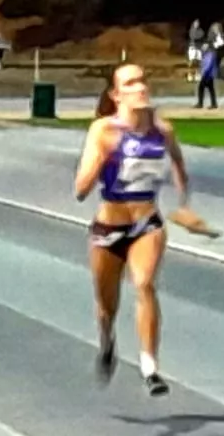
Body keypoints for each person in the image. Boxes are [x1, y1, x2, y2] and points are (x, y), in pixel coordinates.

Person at [73, 63, 192, 396]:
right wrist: (102, 159)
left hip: (146, 224)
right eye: (130, 83)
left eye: (143, 80)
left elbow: (180, 165)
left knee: (144, 284)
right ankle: (107, 339)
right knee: (106, 305)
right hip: (108, 228)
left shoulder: (163, 131)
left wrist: (184, 206)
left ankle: (150, 367)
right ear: (116, 94)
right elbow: (80, 190)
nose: (140, 87)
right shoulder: (103, 130)